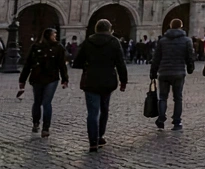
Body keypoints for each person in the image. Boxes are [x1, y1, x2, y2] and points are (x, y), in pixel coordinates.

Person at [72, 18, 127, 152]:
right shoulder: (114, 42)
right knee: (104, 109)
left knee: (92, 112)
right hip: (108, 80)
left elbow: (77, 62)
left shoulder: (88, 41)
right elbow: (121, 63)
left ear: (96, 28)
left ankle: (93, 142)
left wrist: (88, 65)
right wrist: (123, 81)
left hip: (90, 80)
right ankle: (100, 135)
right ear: (109, 29)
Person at [18, 27, 68, 138]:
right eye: (54, 34)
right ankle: (36, 123)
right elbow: (28, 64)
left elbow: (62, 65)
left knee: (46, 102)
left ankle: (45, 128)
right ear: (48, 35)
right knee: (37, 101)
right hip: (38, 78)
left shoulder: (58, 47)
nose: (55, 36)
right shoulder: (36, 47)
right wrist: (22, 80)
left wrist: (65, 79)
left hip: (51, 78)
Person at [150, 17, 194, 130]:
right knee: (178, 98)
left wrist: (153, 72)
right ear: (181, 26)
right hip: (179, 72)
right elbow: (190, 56)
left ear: (170, 26)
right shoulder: (187, 40)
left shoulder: (162, 40)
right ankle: (177, 122)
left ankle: (161, 119)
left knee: (163, 97)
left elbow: (156, 58)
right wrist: (190, 68)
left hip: (164, 72)